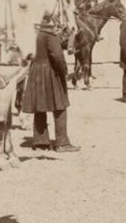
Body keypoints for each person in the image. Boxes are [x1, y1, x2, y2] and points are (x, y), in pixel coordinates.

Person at [21, 10, 80, 152]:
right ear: (50, 18)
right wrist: (64, 70)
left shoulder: (33, 32)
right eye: (56, 17)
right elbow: (57, 56)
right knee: (60, 106)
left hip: (36, 71)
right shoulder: (50, 34)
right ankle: (62, 143)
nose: (57, 20)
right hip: (51, 72)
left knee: (39, 106)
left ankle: (40, 142)